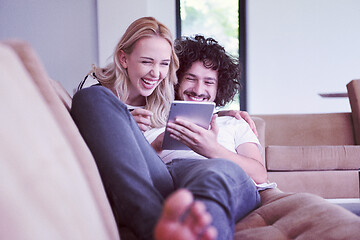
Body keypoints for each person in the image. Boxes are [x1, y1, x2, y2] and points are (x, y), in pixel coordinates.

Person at [71, 16, 267, 240]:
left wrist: (212, 146)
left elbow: (259, 173)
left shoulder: (232, 122)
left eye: (209, 82)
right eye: (190, 78)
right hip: (164, 179)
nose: (198, 89)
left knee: (216, 173)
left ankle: (186, 231)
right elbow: (135, 161)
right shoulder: (152, 111)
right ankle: (155, 226)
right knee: (93, 96)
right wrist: (139, 134)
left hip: (217, 175)